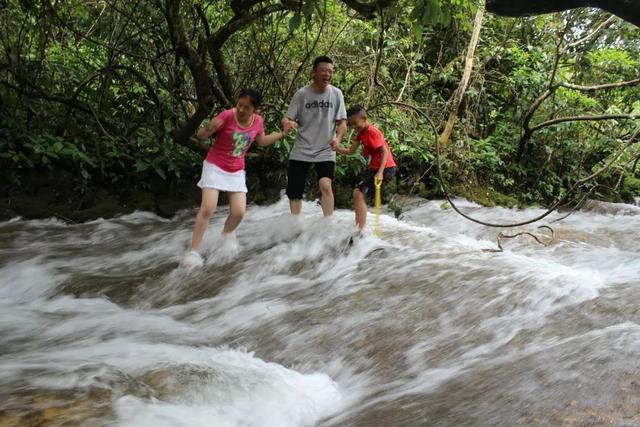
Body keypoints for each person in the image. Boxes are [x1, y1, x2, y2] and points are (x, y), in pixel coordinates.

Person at [183, 88, 293, 267]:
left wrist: (282, 134)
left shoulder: (258, 121)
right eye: (239, 105)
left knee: (239, 212)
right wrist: (209, 128)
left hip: (236, 170)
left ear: (256, 110)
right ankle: (193, 252)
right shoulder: (226, 116)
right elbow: (202, 136)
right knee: (208, 208)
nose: (241, 109)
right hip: (215, 166)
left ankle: (224, 238)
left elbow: (262, 141)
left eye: (247, 107)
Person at [282, 56, 347, 219]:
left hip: (326, 148)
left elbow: (342, 123)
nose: (327, 74)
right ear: (314, 72)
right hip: (302, 148)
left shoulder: (336, 94)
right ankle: (296, 224)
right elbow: (287, 118)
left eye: (330, 71)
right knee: (294, 190)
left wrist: (338, 139)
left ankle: (328, 223)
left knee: (325, 185)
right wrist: (288, 124)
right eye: (324, 71)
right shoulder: (302, 94)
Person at [331, 105, 397, 232]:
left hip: (385, 168)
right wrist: (337, 148)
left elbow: (384, 151)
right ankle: (360, 228)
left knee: (358, 193)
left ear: (364, 118)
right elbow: (351, 151)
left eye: (355, 124)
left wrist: (380, 173)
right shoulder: (360, 133)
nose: (354, 128)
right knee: (358, 193)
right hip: (375, 169)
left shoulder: (372, 131)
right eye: (351, 125)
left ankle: (360, 229)